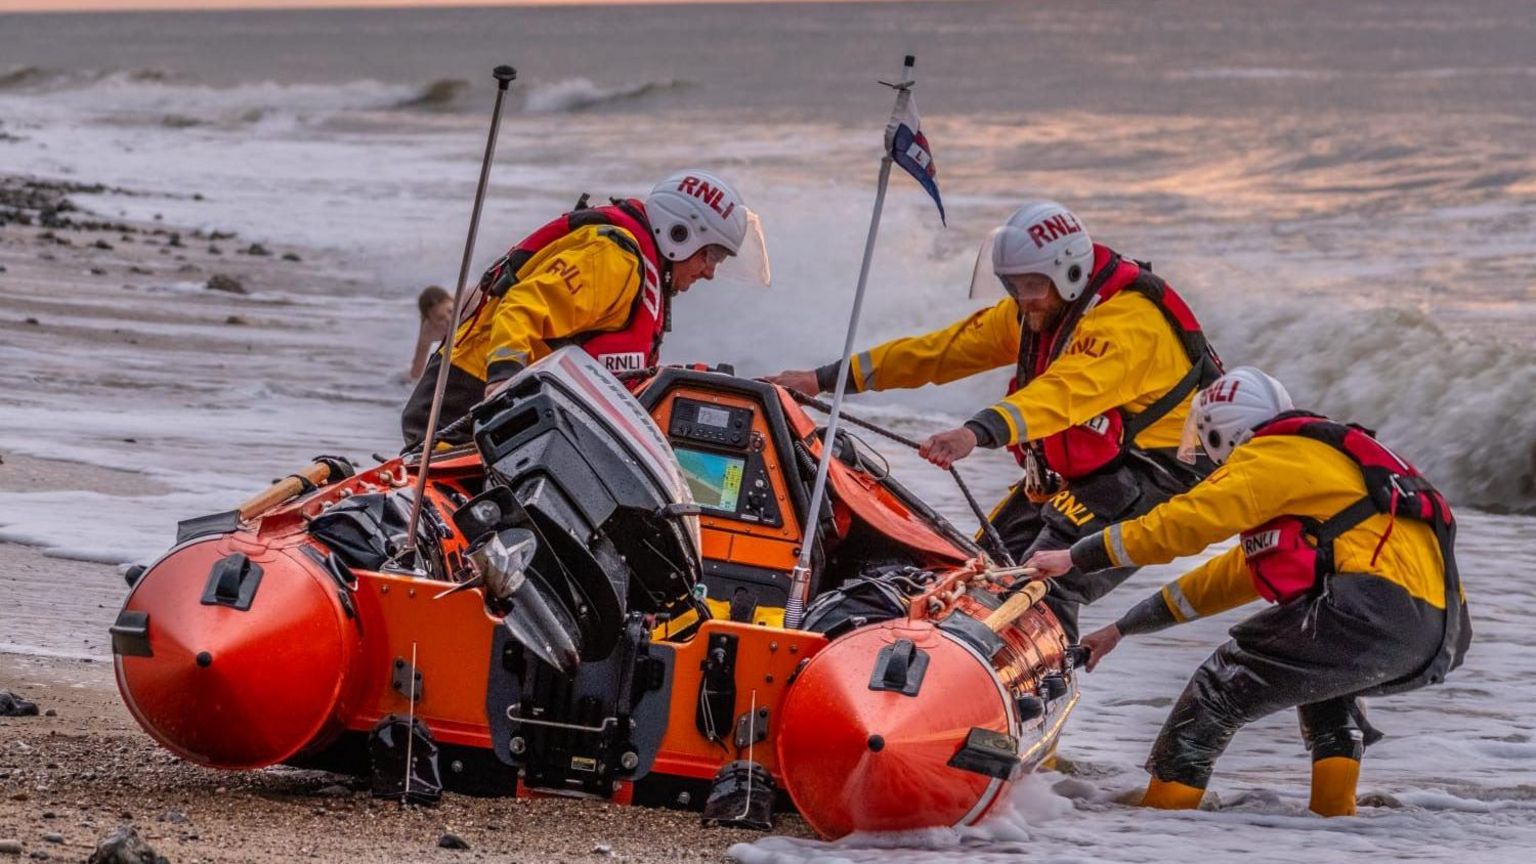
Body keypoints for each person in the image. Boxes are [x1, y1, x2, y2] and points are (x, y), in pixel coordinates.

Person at [1025, 367, 1471, 816]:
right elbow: (1232, 575)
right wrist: (1123, 628)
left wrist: (1077, 556)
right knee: (1321, 684)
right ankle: (1335, 815)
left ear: (1222, 433)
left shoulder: (1274, 454)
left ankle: (1162, 814)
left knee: (1219, 687)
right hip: (1436, 634)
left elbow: (1185, 522)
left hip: (1372, 610)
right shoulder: (1321, 465)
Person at [766, 200, 1221, 639]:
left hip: (1162, 472)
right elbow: (940, 352)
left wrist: (974, 433)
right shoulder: (1040, 308)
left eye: (1032, 287)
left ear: (1071, 275)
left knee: (1044, 580)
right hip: (1100, 467)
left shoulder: (1127, 326)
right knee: (974, 568)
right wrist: (821, 379)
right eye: (1013, 286)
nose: (1023, 300)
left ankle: (1028, 685)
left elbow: (1057, 396)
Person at [401, 169, 769, 447]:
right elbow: (522, 307)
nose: (709, 272)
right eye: (712, 256)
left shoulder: (639, 273)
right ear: (680, 235)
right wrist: (502, 381)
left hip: (516, 413)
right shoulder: (612, 261)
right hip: (463, 404)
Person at [408, 285, 454, 381]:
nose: (449, 319)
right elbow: (416, 372)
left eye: (450, 311)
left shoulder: (466, 300)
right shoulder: (428, 331)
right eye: (440, 318)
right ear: (430, 321)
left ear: (452, 301)